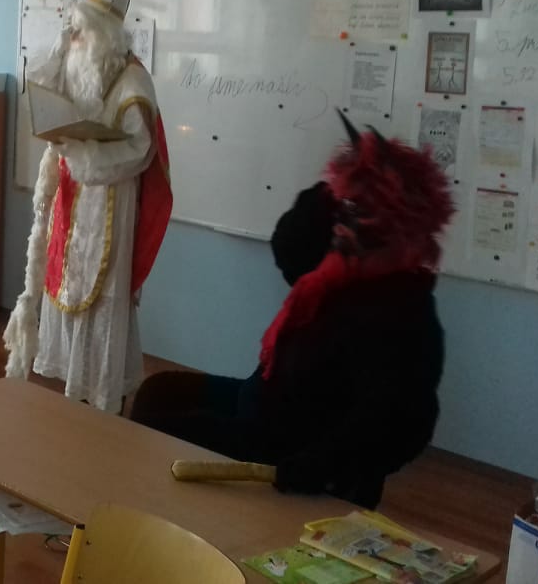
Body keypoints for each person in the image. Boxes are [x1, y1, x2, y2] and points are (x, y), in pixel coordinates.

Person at [129, 115, 453, 508]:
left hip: (286, 447)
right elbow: (290, 248)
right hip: (265, 401)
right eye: (346, 206)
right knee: (159, 393)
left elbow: (405, 422)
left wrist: (318, 467)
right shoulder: (334, 270)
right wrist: (332, 194)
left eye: (358, 210)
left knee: (151, 431)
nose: (345, 221)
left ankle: (163, 516)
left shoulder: (404, 309)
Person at [4, 0, 172, 412]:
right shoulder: (84, 66)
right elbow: (44, 88)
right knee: (69, 285)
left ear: (102, 36)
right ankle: (73, 387)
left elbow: (140, 149)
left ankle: (101, 395)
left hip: (111, 201)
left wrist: (84, 156)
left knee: (103, 297)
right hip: (74, 197)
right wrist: (63, 46)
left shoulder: (133, 81)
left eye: (80, 32)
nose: (74, 38)